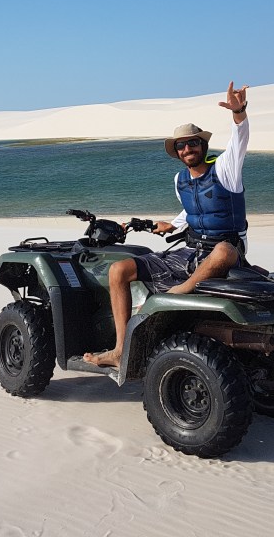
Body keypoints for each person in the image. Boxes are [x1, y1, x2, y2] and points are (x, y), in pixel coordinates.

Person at [83, 81, 250, 369]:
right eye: (181, 145)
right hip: (191, 252)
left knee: (223, 250)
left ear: (203, 145)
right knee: (119, 270)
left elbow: (240, 142)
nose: (187, 149)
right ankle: (120, 350)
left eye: (193, 143)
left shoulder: (225, 170)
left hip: (226, 252)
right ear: (177, 152)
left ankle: (181, 291)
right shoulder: (180, 180)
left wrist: (239, 112)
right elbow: (193, 209)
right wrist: (171, 225)